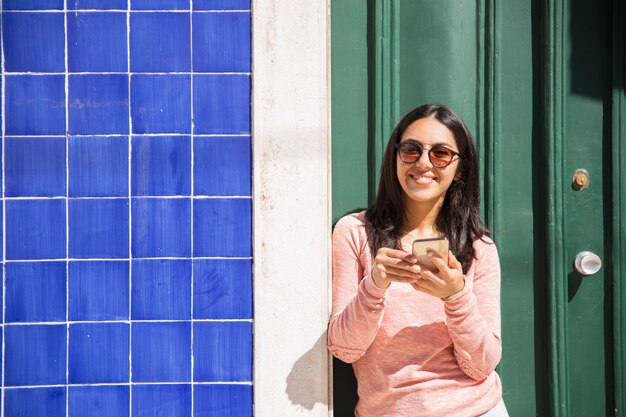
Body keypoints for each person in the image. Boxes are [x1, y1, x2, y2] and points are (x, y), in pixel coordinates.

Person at [328, 104, 508, 417]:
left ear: (460, 168)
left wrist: (456, 297)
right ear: (395, 156)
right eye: (411, 150)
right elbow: (345, 348)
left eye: (440, 153)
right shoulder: (354, 233)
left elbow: (481, 366)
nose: (423, 163)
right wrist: (375, 284)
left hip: (476, 410)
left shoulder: (479, 248)